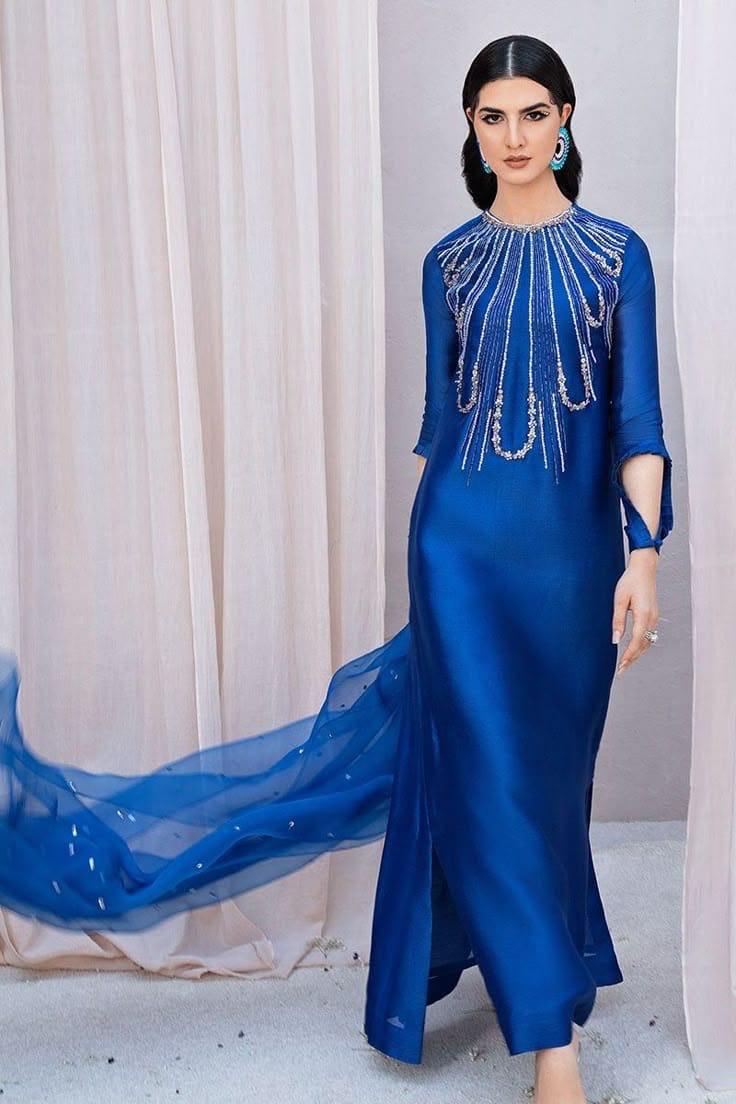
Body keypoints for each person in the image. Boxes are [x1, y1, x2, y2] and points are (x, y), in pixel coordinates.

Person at [0, 33, 673, 1104]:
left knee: (548, 786)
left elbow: (637, 424)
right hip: (458, 557)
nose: (512, 136)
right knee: (492, 780)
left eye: (532, 114)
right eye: (492, 117)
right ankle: (555, 1048)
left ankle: (537, 963)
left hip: (573, 569)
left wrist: (643, 557)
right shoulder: (446, 264)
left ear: (565, 122)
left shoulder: (618, 256)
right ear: (471, 130)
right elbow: (445, 432)